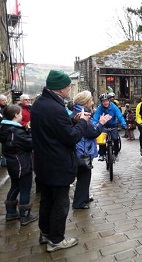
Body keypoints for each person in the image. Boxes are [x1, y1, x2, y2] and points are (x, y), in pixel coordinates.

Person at [31, 70, 90, 252]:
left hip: (44, 163)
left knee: (47, 200)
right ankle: (56, 239)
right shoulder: (55, 108)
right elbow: (71, 137)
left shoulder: (40, 103)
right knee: (60, 203)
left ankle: (45, 232)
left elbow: (55, 129)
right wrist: (82, 123)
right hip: (57, 164)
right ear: (62, 88)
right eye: (69, 86)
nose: (70, 88)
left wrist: (72, 119)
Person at [71, 91, 111, 209]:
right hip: (82, 150)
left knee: (85, 175)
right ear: (85, 102)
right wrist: (101, 123)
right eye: (91, 100)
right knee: (84, 175)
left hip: (82, 149)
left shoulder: (80, 112)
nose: (93, 102)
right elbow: (91, 133)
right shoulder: (82, 114)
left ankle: (84, 197)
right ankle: (79, 202)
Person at [0, 104, 38, 225]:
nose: (22, 115)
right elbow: (30, 144)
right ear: (16, 115)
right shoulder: (15, 131)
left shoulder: (5, 128)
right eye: (20, 113)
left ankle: (10, 212)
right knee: (25, 189)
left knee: (15, 186)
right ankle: (25, 215)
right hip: (22, 164)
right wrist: (31, 131)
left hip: (13, 164)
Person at [93, 94, 127, 161]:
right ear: (101, 102)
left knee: (115, 139)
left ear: (109, 100)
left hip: (113, 125)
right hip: (104, 126)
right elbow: (96, 117)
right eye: (103, 101)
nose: (105, 103)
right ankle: (102, 154)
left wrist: (124, 124)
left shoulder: (114, 107)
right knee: (101, 139)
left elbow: (119, 116)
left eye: (106, 101)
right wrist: (94, 124)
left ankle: (116, 154)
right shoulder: (100, 108)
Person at [0, 94, 8, 167]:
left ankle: (4, 161)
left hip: (6, 129)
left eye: (5, 100)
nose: (5, 101)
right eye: (3, 100)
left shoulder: (7, 108)